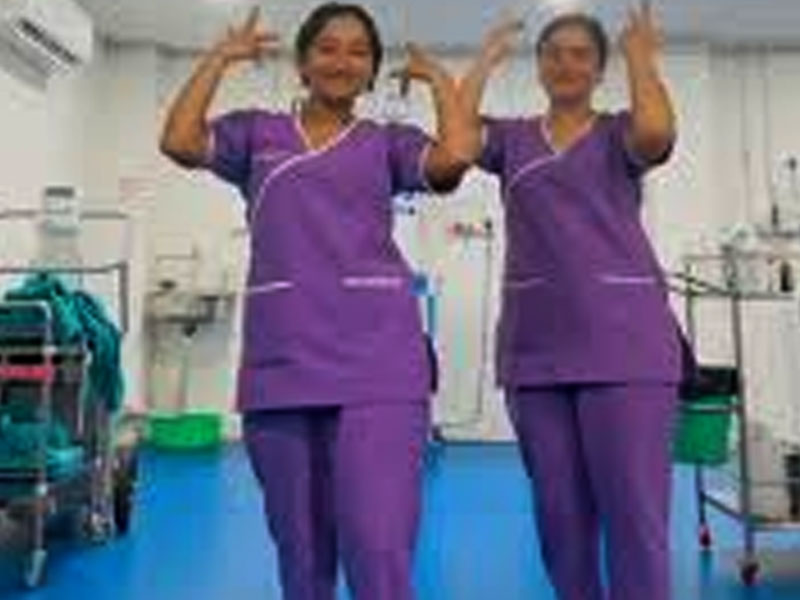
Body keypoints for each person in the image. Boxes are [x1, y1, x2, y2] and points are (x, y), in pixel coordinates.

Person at [159, 3, 471, 599]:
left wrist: (439, 81)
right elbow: (178, 140)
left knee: (378, 548)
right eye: (327, 48)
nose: (342, 61)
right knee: (301, 554)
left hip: (378, 363)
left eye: (359, 52)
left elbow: (454, 157)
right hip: (283, 361)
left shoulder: (386, 142)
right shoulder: (255, 133)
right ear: (302, 62)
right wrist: (219, 58)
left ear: (372, 70)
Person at [459, 5, 681, 600]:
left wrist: (640, 57)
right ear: (538, 66)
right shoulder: (511, 140)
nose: (566, 63)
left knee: (634, 519)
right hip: (536, 352)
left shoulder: (619, 133)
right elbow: (457, 138)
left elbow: (657, 134)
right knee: (561, 523)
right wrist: (485, 59)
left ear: (599, 69)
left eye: (581, 54)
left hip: (626, 349)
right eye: (553, 53)